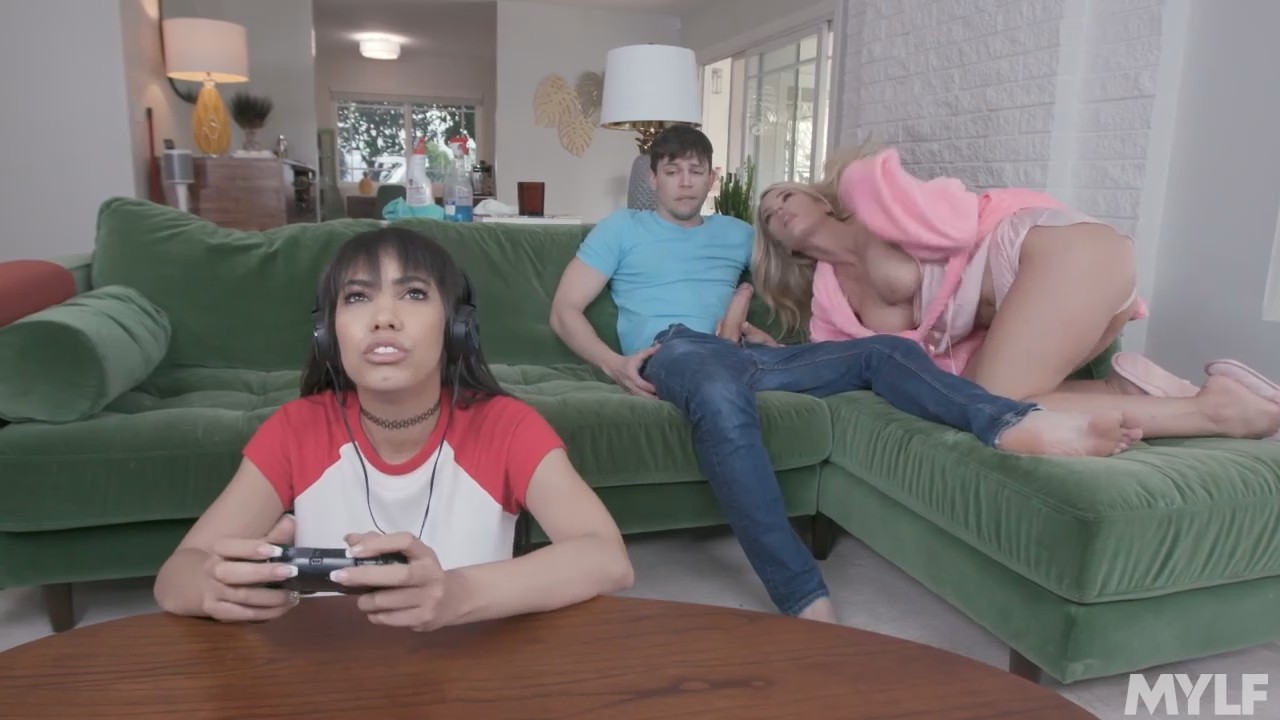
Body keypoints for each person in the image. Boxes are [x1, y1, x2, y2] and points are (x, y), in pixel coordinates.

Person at [549, 125, 1140, 624]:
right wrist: (614, 364)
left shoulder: (738, 235)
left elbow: (799, 258)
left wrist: (745, 307)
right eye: (672, 171)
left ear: (711, 179)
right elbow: (565, 311)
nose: (683, 181)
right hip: (674, 349)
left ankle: (1012, 423)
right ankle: (802, 595)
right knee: (721, 399)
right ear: (653, 179)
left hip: (746, 354)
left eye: (695, 171)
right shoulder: (621, 229)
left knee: (882, 351)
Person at [153, 227, 633, 629]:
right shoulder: (295, 430)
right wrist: (215, 587)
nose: (383, 318)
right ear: (327, 333)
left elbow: (606, 557)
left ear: (457, 328)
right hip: (331, 678)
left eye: (414, 293)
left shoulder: (507, 427)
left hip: (474, 677)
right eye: (357, 297)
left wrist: (456, 593)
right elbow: (176, 575)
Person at [752, 143, 1280, 442]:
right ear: (780, 245)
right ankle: (1129, 391)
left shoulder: (878, 210)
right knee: (976, 404)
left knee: (991, 406)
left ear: (820, 199)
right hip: (1057, 300)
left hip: (1058, 253)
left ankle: (1215, 412)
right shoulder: (828, 299)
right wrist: (774, 356)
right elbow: (838, 364)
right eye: (770, 214)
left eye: (787, 194)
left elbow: (956, 219)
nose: (779, 208)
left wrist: (870, 188)